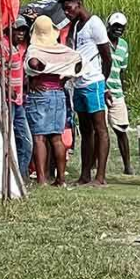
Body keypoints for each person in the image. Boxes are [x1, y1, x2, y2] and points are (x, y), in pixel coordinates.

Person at [59, 0, 113, 186]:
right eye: (64, 9)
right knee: (85, 130)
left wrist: (103, 81)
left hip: (93, 82)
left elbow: (107, 56)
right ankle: (85, 175)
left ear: (78, 3)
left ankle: (100, 176)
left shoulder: (95, 23)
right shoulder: (74, 27)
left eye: (68, 7)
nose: (67, 12)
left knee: (100, 128)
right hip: (79, 83)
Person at [24, 14, 83, 187]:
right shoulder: (61, 50)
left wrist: (40, 72)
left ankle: (42, 178)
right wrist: (62, 78)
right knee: (57, 138)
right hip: (58, 92)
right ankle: (61, 179)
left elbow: (34, 63)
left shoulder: (35, 50)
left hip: (40, 93)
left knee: (39, 137)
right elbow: (78, 61)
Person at [0, 17, 32, 182]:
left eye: (23, 30)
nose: (21, 33)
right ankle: (13, 178)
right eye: (18, 30)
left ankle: (20, 177)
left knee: (26, 141)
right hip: (9, 101)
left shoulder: (19, 48)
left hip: (18, 101)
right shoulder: (4, 46)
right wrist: (7, 87)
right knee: (9, 139)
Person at [106, 12, 133, 175]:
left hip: (117, 92)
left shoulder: (123, 45)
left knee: (121, 129)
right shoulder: (102, 42)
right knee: (99, 130)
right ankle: (95, 165)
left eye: (121, 27)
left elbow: (122, 70)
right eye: (115, 26)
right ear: (109, 26)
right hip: (101, 90)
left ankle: (127, 165)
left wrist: (122, 91)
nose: (118, 29)